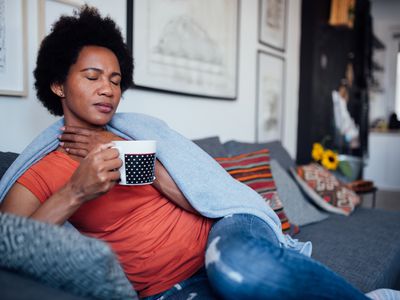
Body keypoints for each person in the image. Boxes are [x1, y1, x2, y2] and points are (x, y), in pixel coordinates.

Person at [0, 6, 398, 300]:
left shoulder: (137, 134)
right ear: (57, 85)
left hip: (226, 232)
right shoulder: (41, 170)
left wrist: (123, 151)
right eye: (92, 77)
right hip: (168, 290)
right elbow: (10, 247)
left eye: (116, 80)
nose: (108, 89)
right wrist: (75, 192)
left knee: (238, 266)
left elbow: (197, 195)